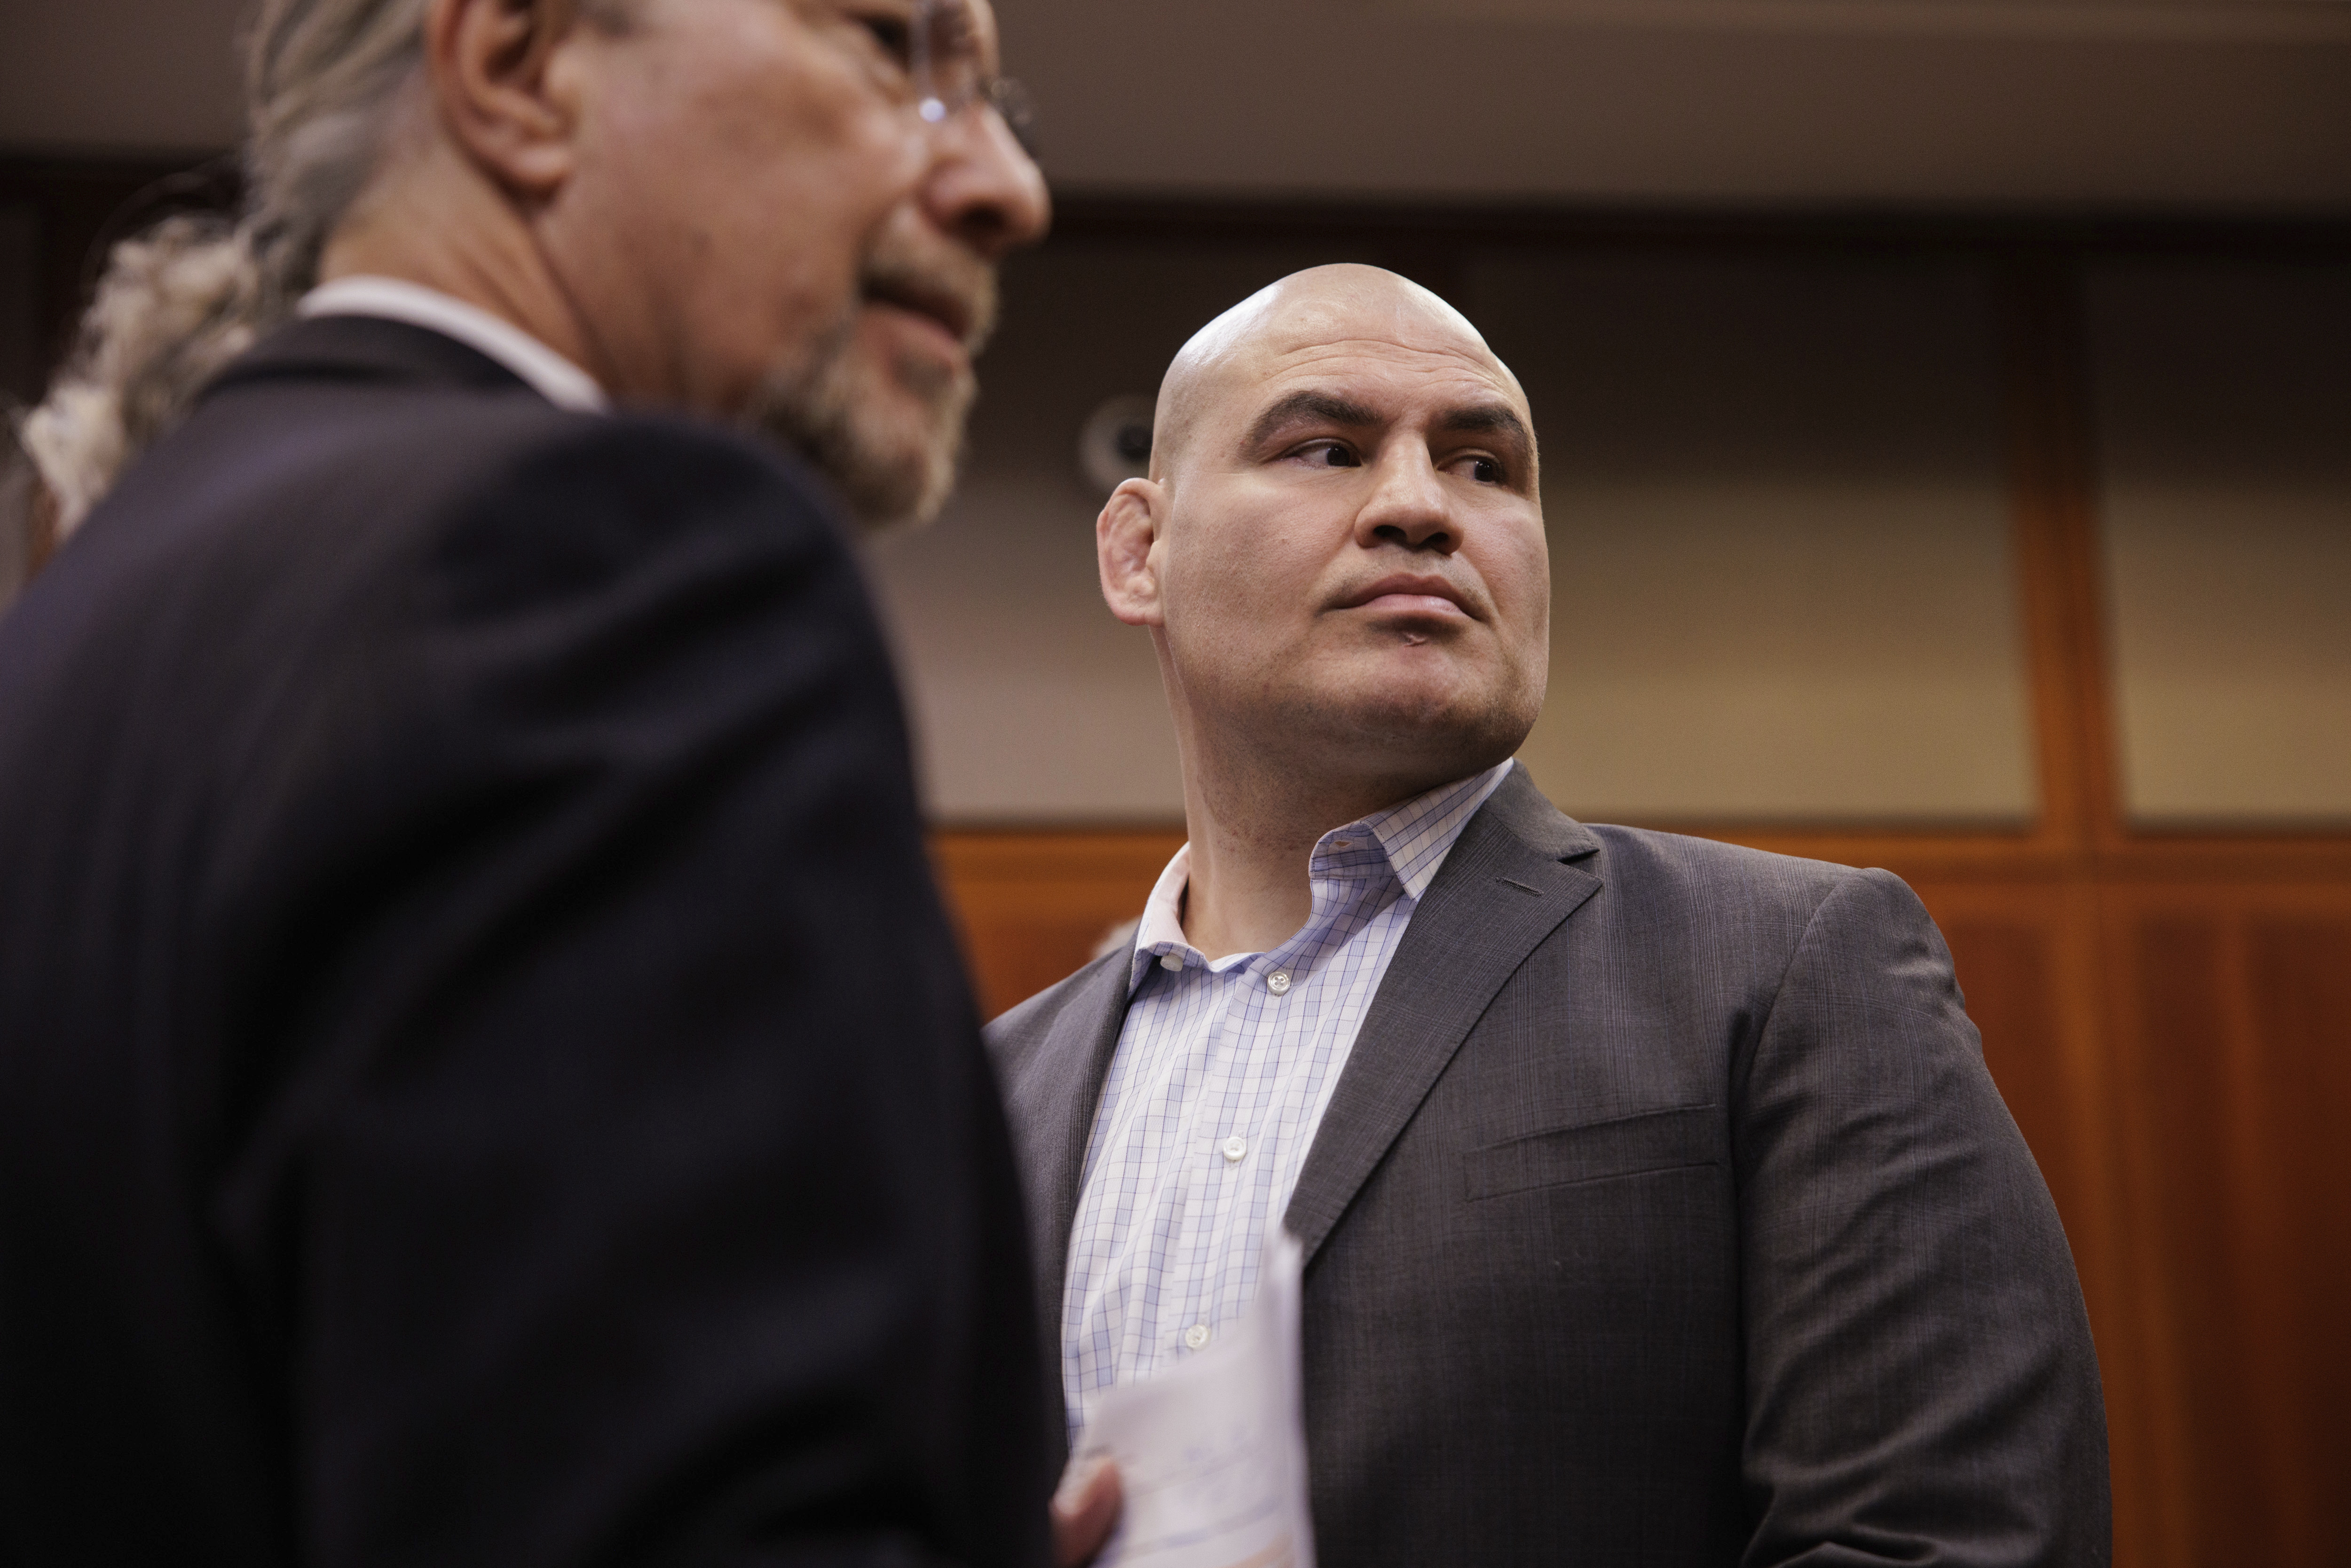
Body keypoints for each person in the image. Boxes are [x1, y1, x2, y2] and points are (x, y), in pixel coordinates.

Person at [0, 1, 1117, 1563]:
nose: (1008, 184)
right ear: (521, 71)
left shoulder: (79, 622)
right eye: (891, 47)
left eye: (995, 96)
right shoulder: (618, 561)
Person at [989, 264, 2112, 1567]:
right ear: (1141, 550)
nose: (1419, 507)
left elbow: (1951, 1539)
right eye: (1326, 447)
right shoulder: (976, 1104)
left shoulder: (1791, 969)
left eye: (1483, 467)